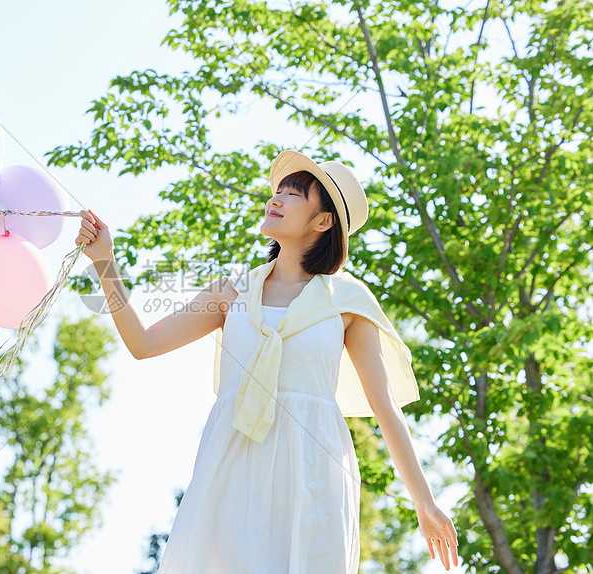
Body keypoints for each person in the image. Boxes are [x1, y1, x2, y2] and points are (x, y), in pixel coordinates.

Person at [74, 150, 460, 572]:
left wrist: (425, 502)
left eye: (292, 195)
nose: (275, 200)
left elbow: (386, 409)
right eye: (277, 191)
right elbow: (143, 344)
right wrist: (104, 263)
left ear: (323, 221)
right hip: (232, 468)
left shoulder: (348, 302)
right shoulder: (230, 292)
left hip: (312, 474)